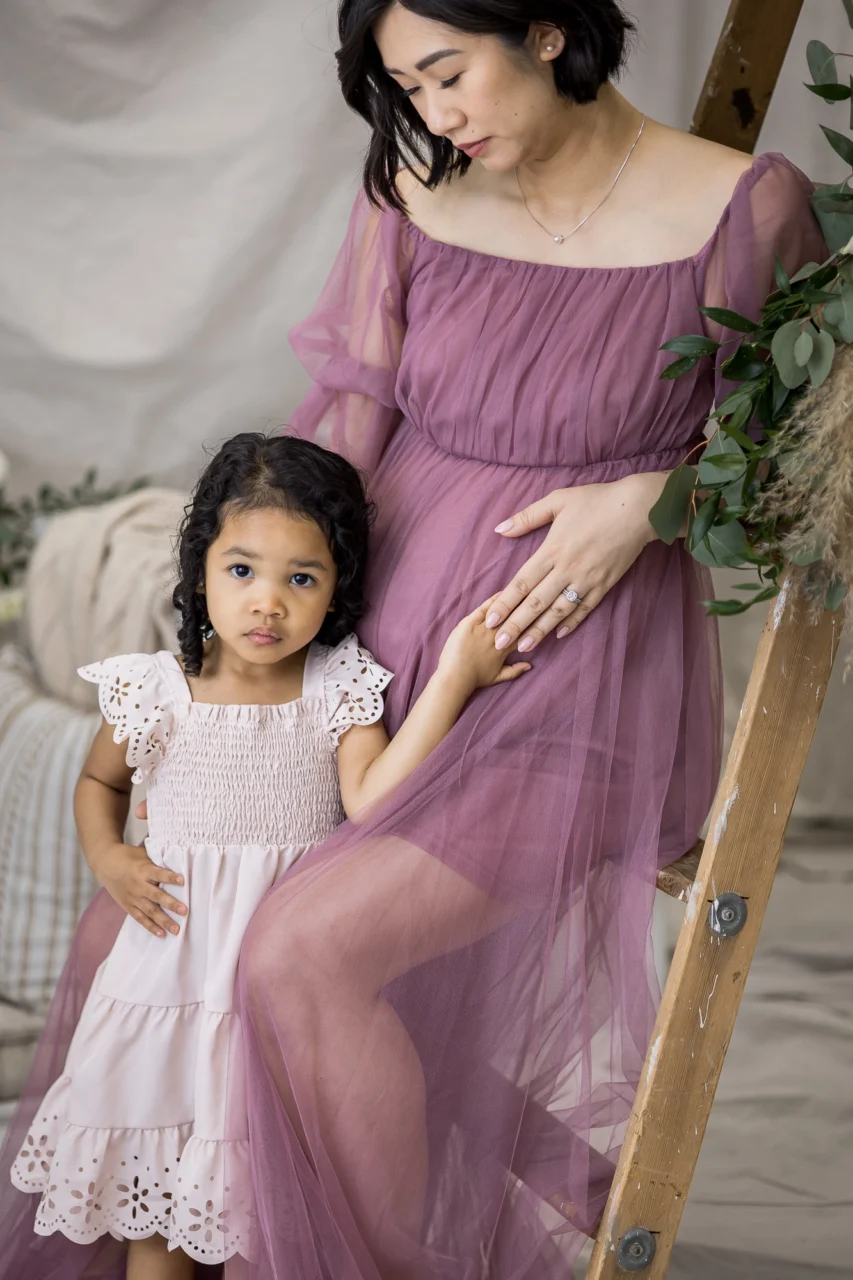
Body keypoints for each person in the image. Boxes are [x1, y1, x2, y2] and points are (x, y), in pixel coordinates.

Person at [0, 2, 827, 1278]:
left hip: (568, 681)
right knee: (156, 924)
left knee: (310, 951)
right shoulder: (414, 191)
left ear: (546, 30)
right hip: (370, 665)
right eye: (407, 86)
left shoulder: (742, 210)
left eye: (448, 73)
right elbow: (344, 440)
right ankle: (211, 1234)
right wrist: (271, 666)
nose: (434, 115)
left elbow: (791, 468)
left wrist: (649, 502)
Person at [6, 432, 529, 1279]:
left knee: (259, 1202)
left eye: (302, 579)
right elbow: (99, 785)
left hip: (272, 999)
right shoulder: (157, 687)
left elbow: (373, 797)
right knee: (160, 1213)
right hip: (171, 984)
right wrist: (109, 859)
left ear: (337, 588)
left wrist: (453, 681)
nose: (267, 605)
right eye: (242, 571)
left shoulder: (337, 688)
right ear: (200, 569)